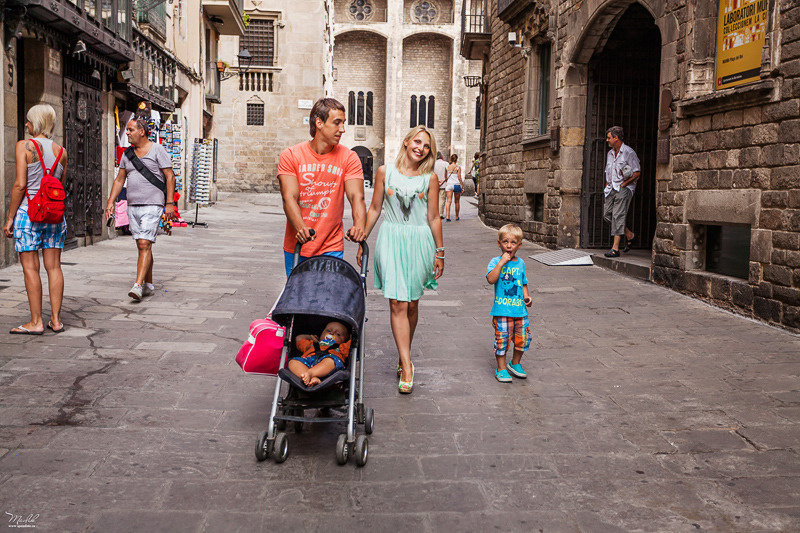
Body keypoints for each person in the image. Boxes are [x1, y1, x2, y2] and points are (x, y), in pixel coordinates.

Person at [359, 125, 444, 394]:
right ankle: (407, 365)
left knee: (412, 304)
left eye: (427, 146)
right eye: (417, 142)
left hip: (420, 242)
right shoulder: (385, 172)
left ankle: (402, 352)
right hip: (392, 239)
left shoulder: (429, 178)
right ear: (407, 142)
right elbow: (374, 208)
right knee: (397, 302)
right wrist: (363, 237)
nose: (421, 148)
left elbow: (433, 217)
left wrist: (440, 252)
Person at [278, 98, 366, 277]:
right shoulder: (291, 155)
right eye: (337, 123)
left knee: (328, 300)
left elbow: (357, 196)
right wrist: (301, 228)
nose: (342, 129)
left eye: (343, 123)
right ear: (319, 122)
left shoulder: (349, 158)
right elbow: (289, 198)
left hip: (331, 246)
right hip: (298, 245)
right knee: (299, 300)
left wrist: (359, 226)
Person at [3, 104, 67, 335]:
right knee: (54, 267)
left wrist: (10, 218)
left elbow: (20, 185)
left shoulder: (25, 146)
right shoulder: (62, 151)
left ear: (36, 122)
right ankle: (57, 320)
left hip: (28, 215)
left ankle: (36, 321)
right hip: (54, 216)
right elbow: (58, 185)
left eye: (29, 121)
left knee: (31, 268)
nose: (26, 125)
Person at [105, 117, 176, 301]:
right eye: (127, 130)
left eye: (130, 130)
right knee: (142, 245)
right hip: (133, 205)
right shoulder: (127, 154)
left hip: (153, 204)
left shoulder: (157, 150)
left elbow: (169, 176)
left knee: (144, 243)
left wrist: (170, 203)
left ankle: (137, 285)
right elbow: (120, 179)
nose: (127, 133)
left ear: (142, 132)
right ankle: (149, 284)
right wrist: (111, 201)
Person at [486, 224, 532, 383]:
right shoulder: (494, 262)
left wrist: (527, 297)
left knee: (523, 339)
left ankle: (515, 363)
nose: (509, 245)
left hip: (520, 311)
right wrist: (501, 263)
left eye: (513, 242)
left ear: (519, 245)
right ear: (499, 243)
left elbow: (523, 282)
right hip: (502, 311)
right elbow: (491, 279)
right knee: (502, 340)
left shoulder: (521, 263)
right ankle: (501, 368)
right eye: (505, 242)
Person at [602, 126, 640, 258]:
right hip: (612, 188)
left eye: (609, 138)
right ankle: (630, 235)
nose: (607, 140)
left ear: (616, 138)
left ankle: (615, 249)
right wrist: (608, 185)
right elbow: (609, 172)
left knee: (617, 215)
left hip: (624, 188)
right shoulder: (610, 153)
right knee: (607, 215)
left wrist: (624, 184)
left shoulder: (629, 152)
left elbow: (636, 172)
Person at [287, 321, 351, 386]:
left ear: (344, 341)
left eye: (338, 334)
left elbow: (351, 343)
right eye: (328, 330)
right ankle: (311, 377)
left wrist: (352, 337)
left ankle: (311, 373)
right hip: (308, 364)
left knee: (331, 360)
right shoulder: (312, 344)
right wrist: (311, 337)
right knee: (292, 362)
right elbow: (298, 338)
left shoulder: (342, 347)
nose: (331, 333)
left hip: (328, 368)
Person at [444, 154, 463, 222]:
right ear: (456, 159)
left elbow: (445, 178)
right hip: (456, 185)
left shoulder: (447, 167)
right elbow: (459, 178)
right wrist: (462, 186)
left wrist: (448, 181)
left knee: (448, 201)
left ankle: (448, 216)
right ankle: (457, 216)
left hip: (449, 185)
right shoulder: (458, 167)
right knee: (457, 202)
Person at [433, 152, 448, 219]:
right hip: (443, 184)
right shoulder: (446, 164)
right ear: (442, 156)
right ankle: (440, 214)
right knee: (442, 199)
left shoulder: (433, 164)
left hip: (434, 184)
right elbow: (448, 174)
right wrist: (443, 180)